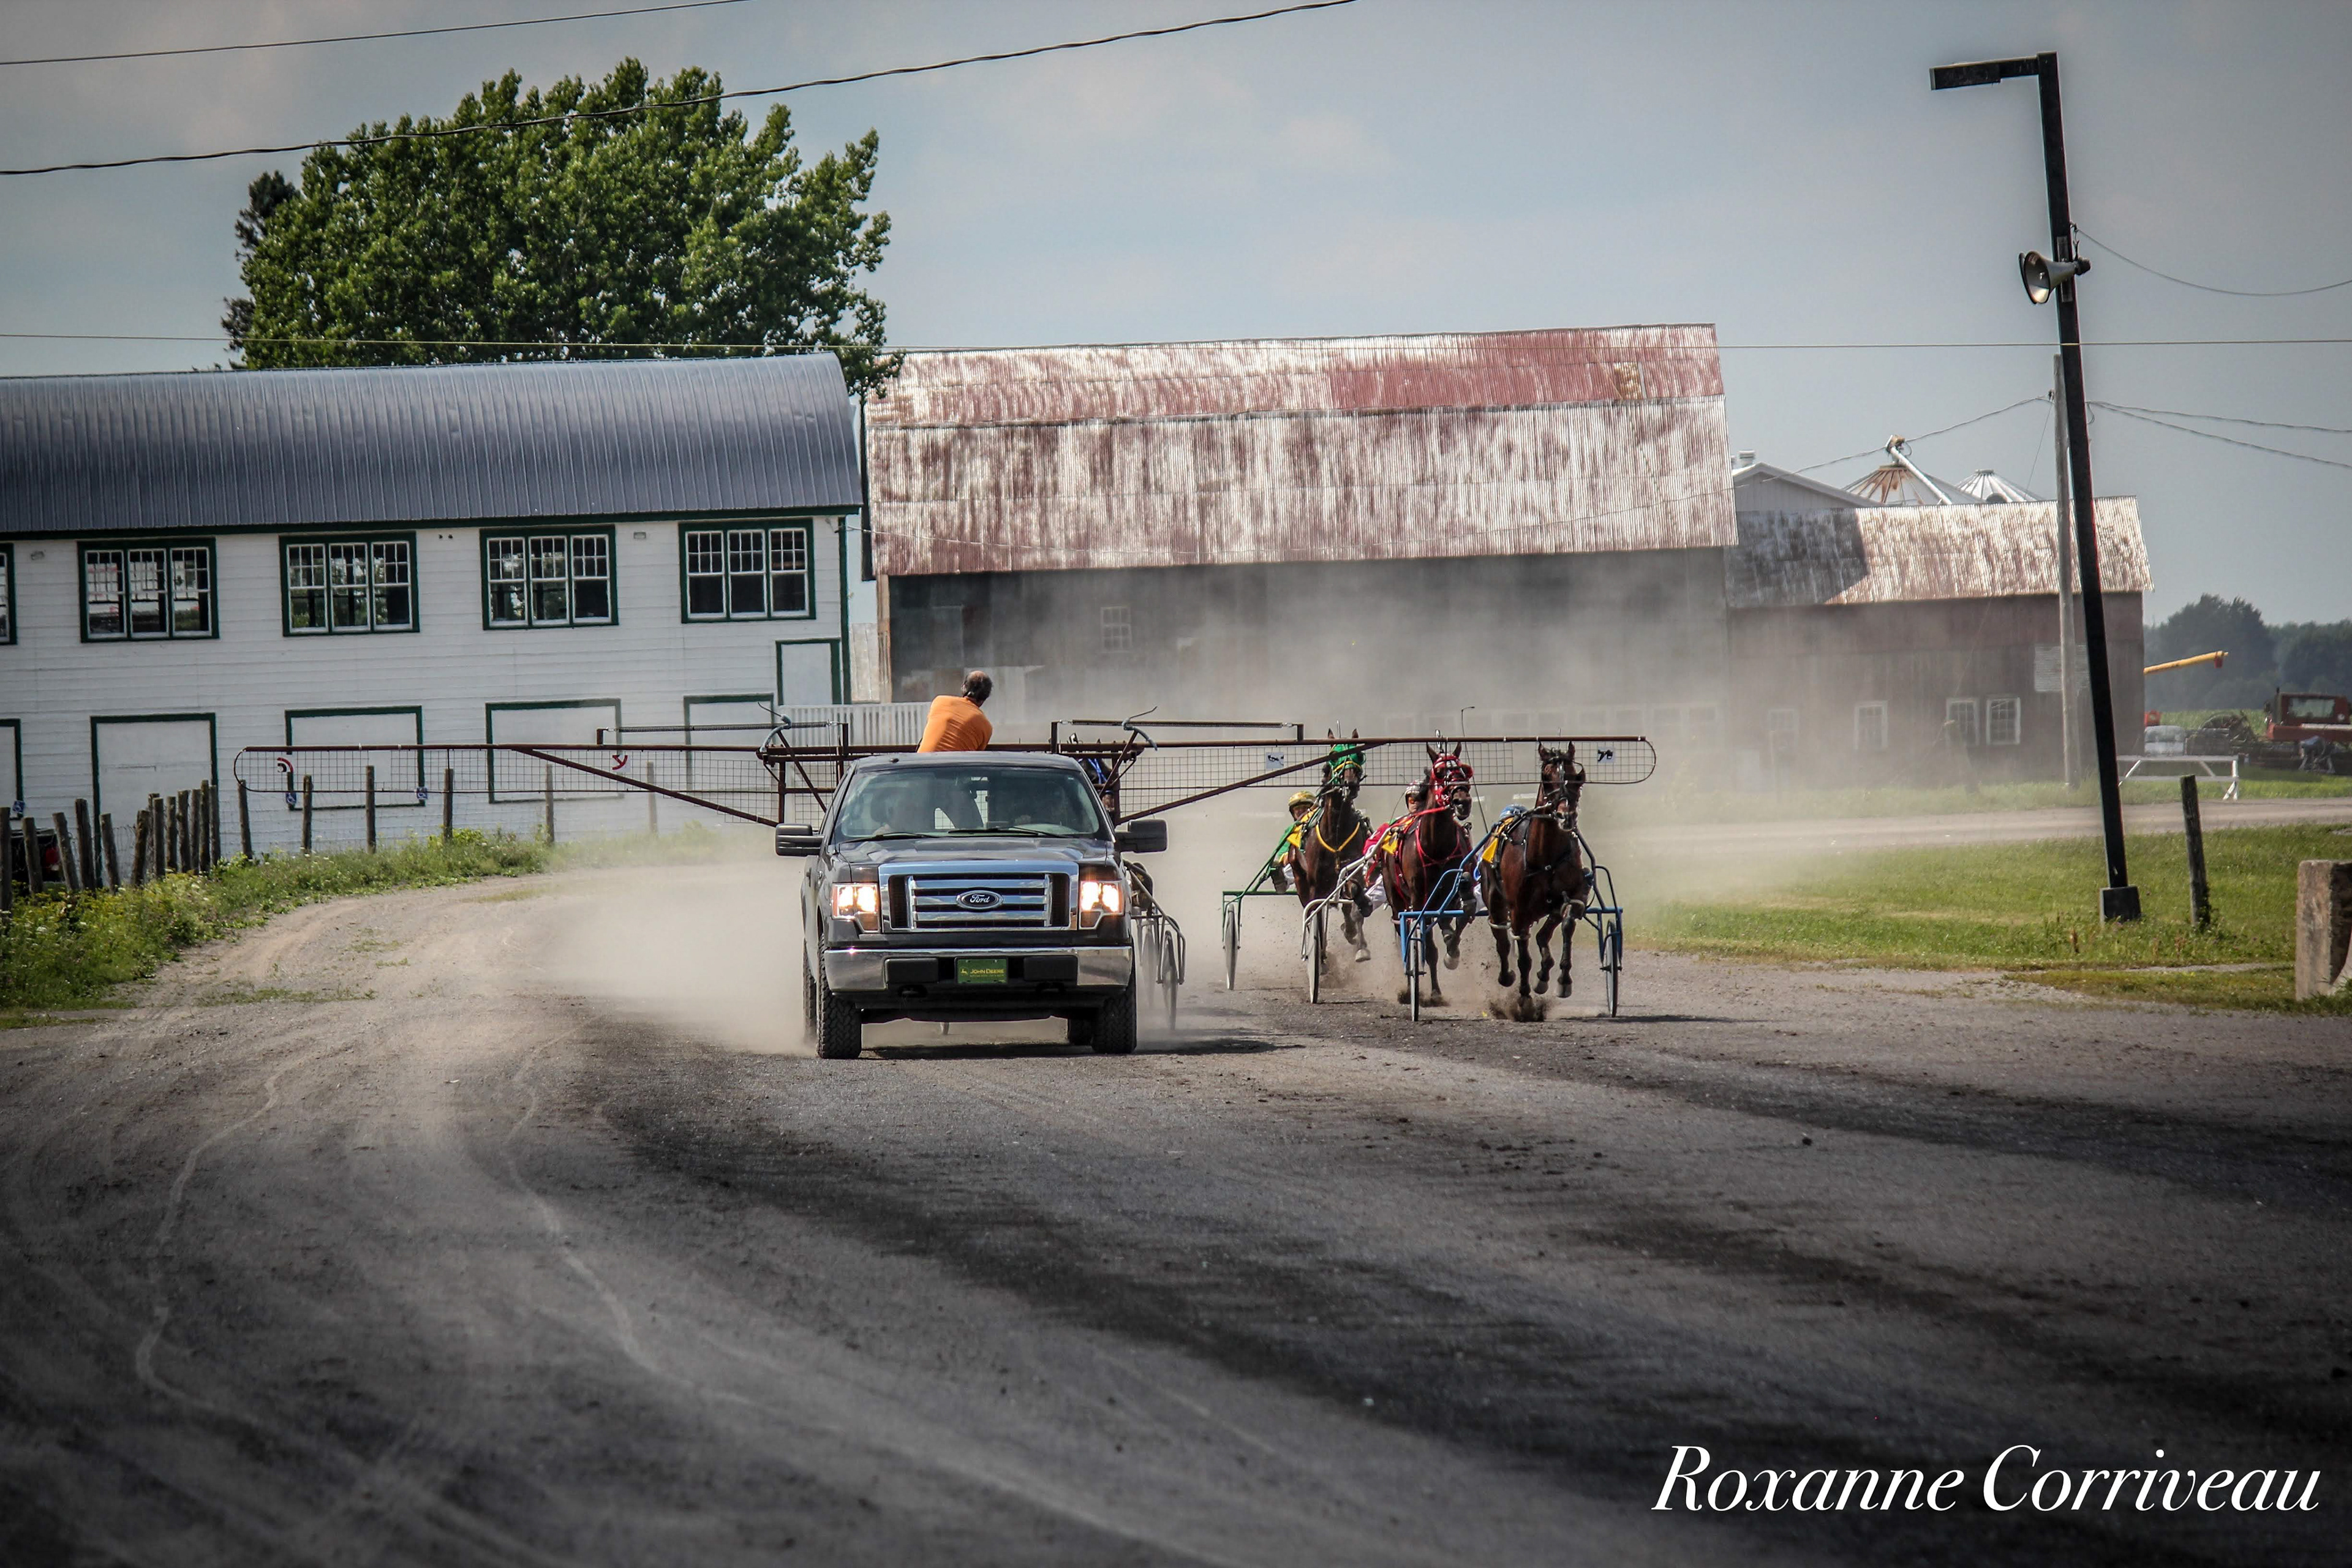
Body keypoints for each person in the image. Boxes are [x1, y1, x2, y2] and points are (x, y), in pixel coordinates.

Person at [918, 671, 994, 753]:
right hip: (955, 765)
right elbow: (976, 756)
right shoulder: (986, 727)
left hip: (921, 762)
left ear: (964, 687)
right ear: (985, 698)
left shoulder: (940, 701)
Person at [1268, 789, 1316, 892]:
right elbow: (1283, 852)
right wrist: (1286, 857)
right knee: (1294, 862)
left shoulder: (1320, 828)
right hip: (1299, 865)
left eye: (1304, 808)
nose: (1300, 811)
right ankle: (1283, 880)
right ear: (1293, 813)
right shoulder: (1291, 830)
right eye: (1297, 809)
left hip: (1319, 862)